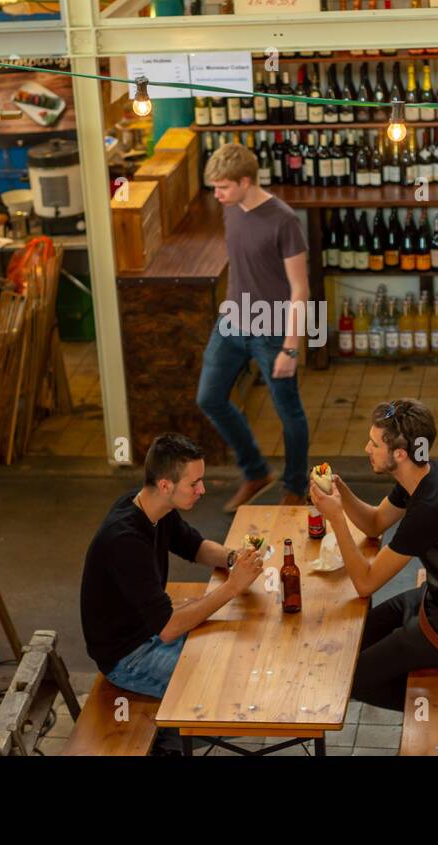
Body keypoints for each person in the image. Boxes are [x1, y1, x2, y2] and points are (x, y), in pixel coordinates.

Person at [310, 400, 438, 712]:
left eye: (374, 444)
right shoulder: (420, 474)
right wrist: (341, 492)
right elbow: (374, 524)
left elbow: (365, 583)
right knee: (354, 637)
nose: (366, 448)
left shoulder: (431, 507)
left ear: (399, 454)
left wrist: (335, 518)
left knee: (355, 680)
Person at [79, 433, 262, 699]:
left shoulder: (153, 507)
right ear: (165, 486)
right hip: (130, 656)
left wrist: (235, 558)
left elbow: (194, 546)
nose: (203, 490)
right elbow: (169, 628)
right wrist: (233, 586)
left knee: (238, 644)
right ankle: (171, 735)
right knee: (228, 685)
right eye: (195, 483)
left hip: (152, 628)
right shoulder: (125, 541)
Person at [196, 142, 311, 510]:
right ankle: (256, 471)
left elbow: (300, 288)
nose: (217, 195)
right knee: (209, 397)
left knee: (288, 411)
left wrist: (291, 347)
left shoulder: (284, 220)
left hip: (272, 328)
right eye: (214, 187)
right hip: (232, 320)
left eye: (223, 187)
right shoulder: (231, 209)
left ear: (246, 181)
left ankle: (295, 486)